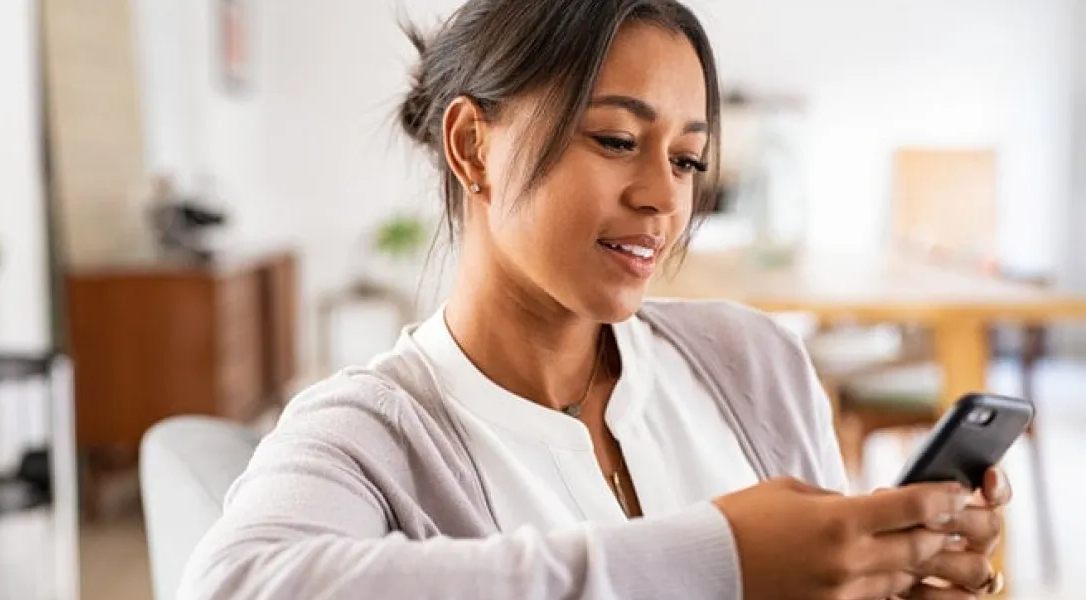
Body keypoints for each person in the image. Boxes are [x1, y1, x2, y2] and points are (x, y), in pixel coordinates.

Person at [178, 1, 1011, 598]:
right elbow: (237, 584)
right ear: (472, 146)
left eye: (687, 160)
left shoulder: (756, 362)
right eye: (616, 140)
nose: (663, 197)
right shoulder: (371, 432)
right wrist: (720, 562)